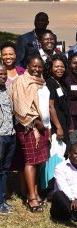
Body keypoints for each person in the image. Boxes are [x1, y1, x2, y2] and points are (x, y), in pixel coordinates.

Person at [10, 55, 50, 212]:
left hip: (42, 127)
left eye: (40, 66)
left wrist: (44, 125)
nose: (37, 69)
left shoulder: (41, 81)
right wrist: (35, 123)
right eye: (34, 66)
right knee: (30, 161)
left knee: (38, 161)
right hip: (28, 127)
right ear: (27, 66)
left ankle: (36, 192)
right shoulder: (21, 81)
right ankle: (31, 197)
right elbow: (20, 107)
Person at [0, 64, 15, 214]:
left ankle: (2, 200)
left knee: (5, 169)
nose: (3, 77)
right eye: (0, 74)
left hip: (10, 134)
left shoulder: (8, 90)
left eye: (4, 74)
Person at [47, 54, 71, 143]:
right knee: (56, 152)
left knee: (64, 150)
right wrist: (58, 127)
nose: (60, 69)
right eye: (56, 66)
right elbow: (50, 106)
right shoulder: (50, 83)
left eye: (62, 66)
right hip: (56, 124)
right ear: (50, 68)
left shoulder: (61, 83)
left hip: (63, 121)